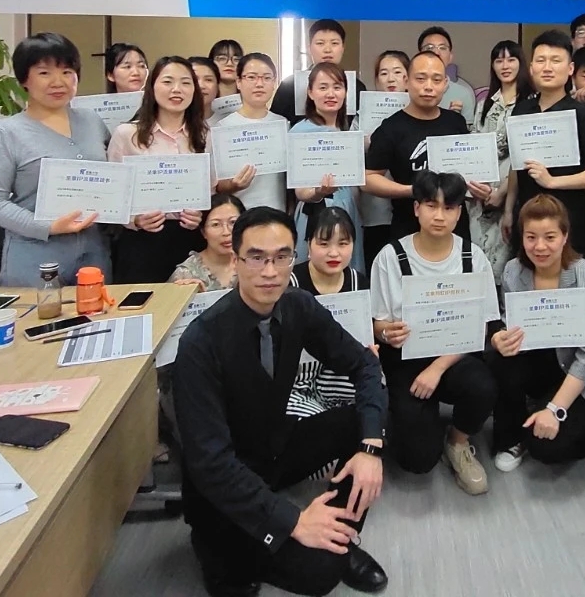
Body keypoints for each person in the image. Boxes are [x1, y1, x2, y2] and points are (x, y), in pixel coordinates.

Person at [174, 207, 387, 597]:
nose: (270, 272)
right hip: (220, 486)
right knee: (319, 573)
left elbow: (364, 365)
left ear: (294, 258)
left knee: (361, 423)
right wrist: (292, 520)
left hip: (273, 450)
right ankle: (221, 560)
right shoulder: (200, 342)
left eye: (281, 257)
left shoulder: (296, 305)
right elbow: (210, 464)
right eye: (256, 257)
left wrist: (370, 445)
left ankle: (338, 535)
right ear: (236, 260)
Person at [371, 171, 497, 495]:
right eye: (431, 206)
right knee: (417, 460)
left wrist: (438, 367)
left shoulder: (473, 257)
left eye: (449, 207)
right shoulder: (390, 257)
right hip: (405, 360)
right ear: (416, 209)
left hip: (453, 357)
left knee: (483, 385)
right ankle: (411, 422)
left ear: (459, 212)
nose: (439, 216)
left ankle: (458, 441)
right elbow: (376, 323)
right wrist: (387, 334)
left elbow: (480, 327)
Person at [487, 196, 585, 471]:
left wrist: (555, 409)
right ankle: (511, 437)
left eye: (550, 237)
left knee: (549, 447)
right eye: (531, 237)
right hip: (535, 360)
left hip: (574, 368)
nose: (540, 246)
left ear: (565, 237)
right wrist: (502, 338)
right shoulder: (513, 270)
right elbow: (508, 321)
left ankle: (555, 409)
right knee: (499, 360)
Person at [0, 33, 109, 286]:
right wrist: (47, 226)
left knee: (96, 310)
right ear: (24, 79)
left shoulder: (92, 121)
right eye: (44, 73)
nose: (58, 82)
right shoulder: (6, 132)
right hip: (35, 256)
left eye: (67, 72)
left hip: (94, 254)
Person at [363, 51, 491, 243]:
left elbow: (470, 171)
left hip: (454, 230)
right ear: (407, 81)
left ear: (445, 84)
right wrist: (411, 190)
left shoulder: (456, 122)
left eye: (436, 80)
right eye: (421, 79)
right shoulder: (391, 127)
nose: (428, 87)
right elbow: (368, 178)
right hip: (408, 229)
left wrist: (481, 189)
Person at [504, 30, 585, 255]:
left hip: (569, 219)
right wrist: (508, 210)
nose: (547, 67)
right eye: (540, 60)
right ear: (531, 68)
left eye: (555, 60)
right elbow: (516, 165)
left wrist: (553, 182)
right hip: (527, 217)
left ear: (570, 69)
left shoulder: (583, 113)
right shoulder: (522, 110)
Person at [107, 56, 209, 283]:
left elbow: (210, 190)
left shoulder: (204, 135)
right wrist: (135, 220)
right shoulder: (126, 134)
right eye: (167, 81)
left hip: (190, 239)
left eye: (186, 82)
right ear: (152, 87)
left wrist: (200, 215)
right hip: (142, 241)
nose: (177, 89)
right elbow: (112, 197)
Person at [288, 208, 370, 422]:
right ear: (308, 244)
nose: (334, 253)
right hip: (297, 379)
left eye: (343, 243)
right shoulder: (289, 284)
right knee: (314, 424)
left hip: (342, 373)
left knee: (369, 403)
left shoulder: (358, 283)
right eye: (324, 244)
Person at [290, 62, 364, 274]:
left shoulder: (347, 131)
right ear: (310, 92)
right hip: (316, 212)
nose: (331, 94)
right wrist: (319, 192)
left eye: (337, 87)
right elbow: (300, 192)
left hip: (347, 210)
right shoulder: (300, 132)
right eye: (323, 87)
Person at [469, 40, 531, 280]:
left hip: (514, 192)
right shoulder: (484, 104)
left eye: (511, 59)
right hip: (481, 196)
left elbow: (524, 155)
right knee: (479, 264)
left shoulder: (531, 102)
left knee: (509, 266)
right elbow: (474, 146)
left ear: (521, 63)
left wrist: (502, 192)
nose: (505, 66)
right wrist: (479, 188)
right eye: (499, 60)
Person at [214, 53, 289, 212]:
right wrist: (233, 185)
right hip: (238, 217)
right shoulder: (223, 128)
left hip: (277, 215)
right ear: (238, 82)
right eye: (251, 77)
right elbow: (216, 185)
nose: (259, 84)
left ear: (274, 83)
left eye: (266, 78)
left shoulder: (283, 125)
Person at [360, 50, 410, 274]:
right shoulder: (361, 116)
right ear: (376, 80)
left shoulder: (421, 114)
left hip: (410, 210)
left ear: (408, 78)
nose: (391, 79)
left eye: (397, 72)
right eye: (384, 73)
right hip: (374, 210)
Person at [272, 19, 365, 121]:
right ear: (309, 48)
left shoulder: (357, 87)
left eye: (334, 43)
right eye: (320, 43)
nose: (327, 50)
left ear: (343, 48)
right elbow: (276, 124)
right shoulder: (289, 86)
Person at [172, 195, 245, 289]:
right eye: (216, 224)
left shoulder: (254, 264)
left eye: (233, 222)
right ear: (203, 232)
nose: (226, 232)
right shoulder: (186, 273)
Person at [416, 26, 476, 115]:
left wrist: (454, 118)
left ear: (450, 56)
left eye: (442, 48)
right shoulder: (410, 89)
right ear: (419, 55)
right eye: (429, 47)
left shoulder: (463, 93)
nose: (436, 53)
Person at [188, 56, 222, 124]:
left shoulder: (227, 122)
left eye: (208, 80)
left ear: (217, 85)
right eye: (194, 79)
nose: (201, 86)